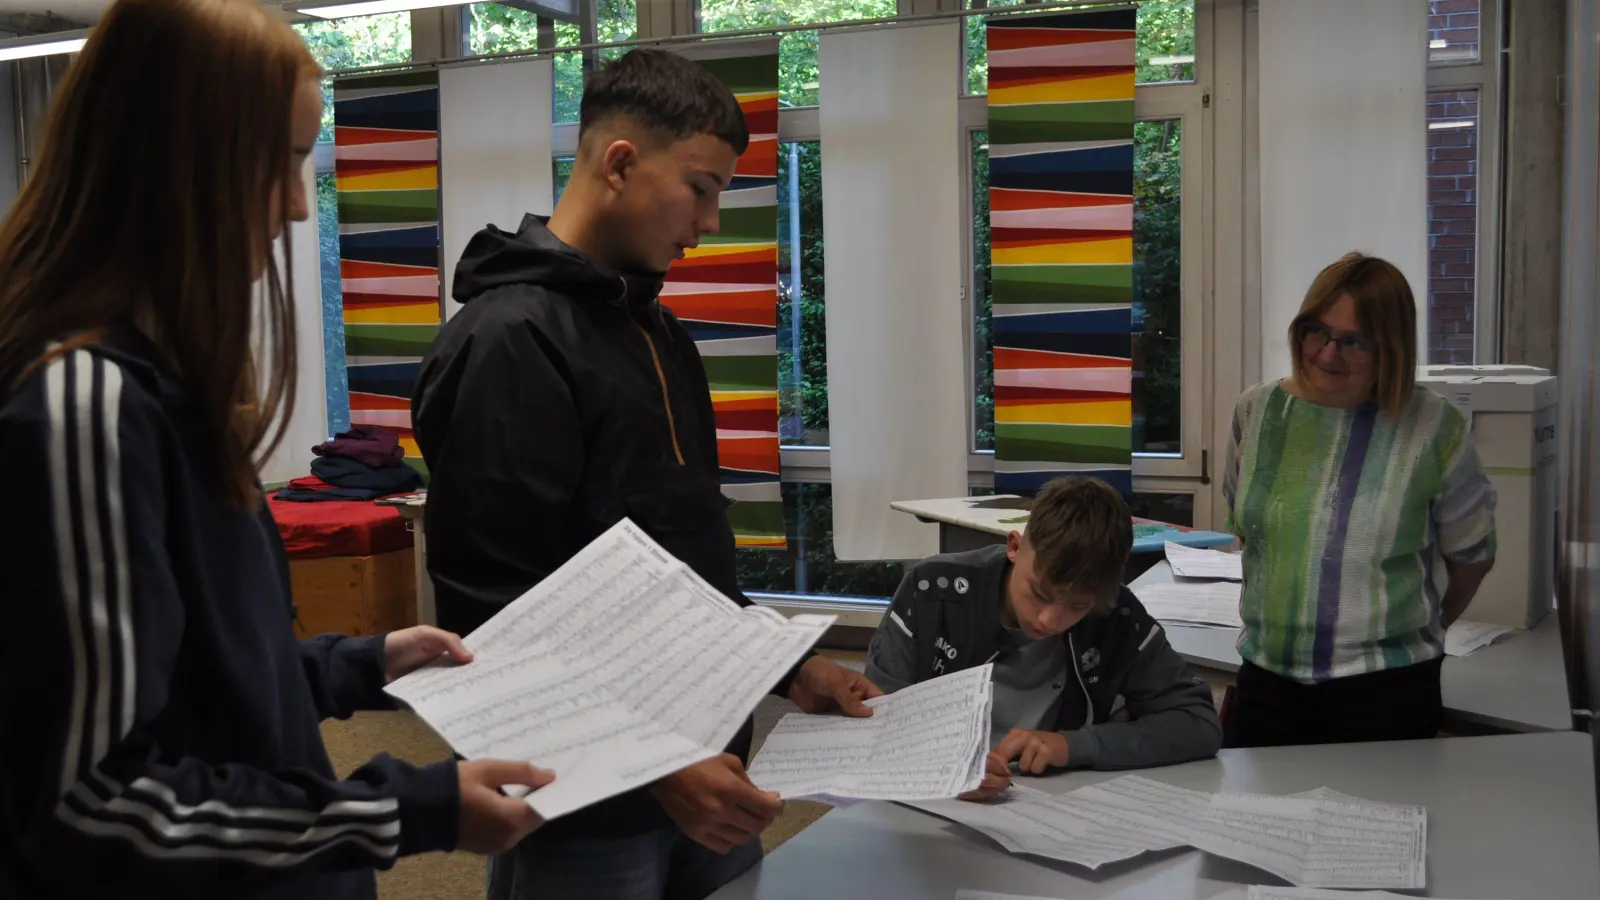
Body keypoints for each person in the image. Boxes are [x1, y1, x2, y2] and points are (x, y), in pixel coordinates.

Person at [0, 1, 552, 897]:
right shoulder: (85, 409)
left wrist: (362, 664)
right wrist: (408, 810)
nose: (299, 204)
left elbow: (197, 676)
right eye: (284, 162)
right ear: (178, 160)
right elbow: (91, 802)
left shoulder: (167, 390)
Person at [412, 48, 880, 900]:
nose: (708, 223)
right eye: (700, 188)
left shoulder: (661, 337)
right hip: (587, 795)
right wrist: (658, 768)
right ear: (620, 163)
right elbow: (496, 616)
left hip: (710, 762)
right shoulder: (510, 341)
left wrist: (783, 670)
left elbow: (680, 570)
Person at [1221, 252, 1497, 748]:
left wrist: (1420, 632)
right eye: (1316, 331)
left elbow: (1473, 557)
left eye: (1354, 342)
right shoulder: (1256, 410)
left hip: (1385, 693)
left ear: (1390, 347)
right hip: (1266, 681)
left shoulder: (1434, 428)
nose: (1328, 353)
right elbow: (1246, 529)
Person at [864, 476, 1222, 800]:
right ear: (1015, 547)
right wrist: (942, 766)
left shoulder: (1117, 615)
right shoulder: (931, 591)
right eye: (1039, 593)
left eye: (1077, 606)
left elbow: (1197, 723)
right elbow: (877, 716)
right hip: (925, 800)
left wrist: (1073, 745)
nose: (1050, 620)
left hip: (1044, 800)